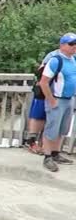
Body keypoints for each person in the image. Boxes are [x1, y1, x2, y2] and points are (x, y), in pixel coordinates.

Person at [38, 33, 76, 172]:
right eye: (71, 44)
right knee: (51, 128)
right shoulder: (55, 61)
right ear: (62, 45)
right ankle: (47, 156)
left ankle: (56, 153)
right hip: (57, 99)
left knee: (62, 129)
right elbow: (43, 82)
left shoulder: (74, 60)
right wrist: (51, 100)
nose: (74, 47)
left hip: (69, 99)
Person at [24, 49, 61, 154]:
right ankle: (31, 142)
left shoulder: (72, 59)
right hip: (43, 90)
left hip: (59, 94)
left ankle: (45, 146)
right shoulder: (54, 55)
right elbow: (41, 73)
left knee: (53, 120)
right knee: (38, 116)